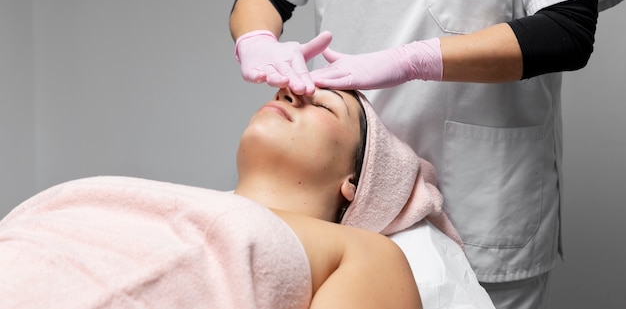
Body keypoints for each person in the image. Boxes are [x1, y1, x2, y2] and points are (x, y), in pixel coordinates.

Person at [228, 0, 626, 308]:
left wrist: (415, 60)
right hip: (340, 192)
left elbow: (567, 31)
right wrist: (256, 38)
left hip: (479, 198)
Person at [0, 88, 464, 309]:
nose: (291, 90)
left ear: (354, 184)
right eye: (291, 90)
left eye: (325, 106)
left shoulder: (368, 254)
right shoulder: (160, 201)